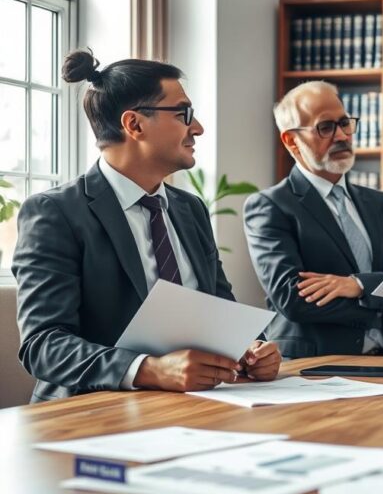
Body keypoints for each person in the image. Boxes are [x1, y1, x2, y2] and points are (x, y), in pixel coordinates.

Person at [13, 49, 281, 402]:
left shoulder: (191, 209)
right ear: (134, 124)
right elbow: (43, 345)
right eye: (184, 114)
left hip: (195, 406)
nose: (197, 128)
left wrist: (249, 350)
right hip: (90, 413)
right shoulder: (54, 213)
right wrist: (149, 369)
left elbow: (219, 310)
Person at [244, 81, 383, 358]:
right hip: (315, 370)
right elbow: (294, 300)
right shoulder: (270, 206)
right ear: (291, 140)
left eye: (344, 123)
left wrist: (357, 285)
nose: (342, 135)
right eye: (326, 127)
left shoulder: (380, 204)